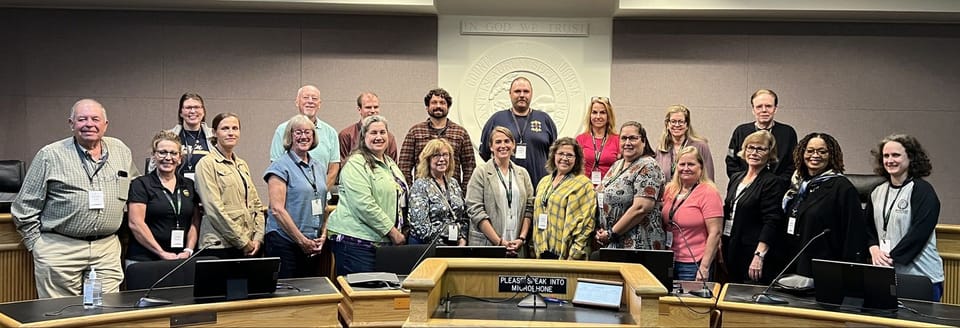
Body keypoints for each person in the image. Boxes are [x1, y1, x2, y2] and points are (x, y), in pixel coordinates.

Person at [12, 99, 138, 298]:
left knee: (106, 313)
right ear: (71, 124)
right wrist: (37, 245)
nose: (89, 124)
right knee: (60, 314)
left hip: (106, 249)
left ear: (106, 124)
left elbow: (136, 187)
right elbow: (24, 206)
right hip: (60, 249)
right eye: (82, 119)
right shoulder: (50, 155)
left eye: (95, 119)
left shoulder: (120, 150)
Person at [866, 134, 944, 301]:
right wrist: (873, 248)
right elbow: (868, 228)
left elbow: (918, 234)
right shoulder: (877, 191)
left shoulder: (923, 191)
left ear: (911, 158)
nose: (890, 160)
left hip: (920, 277)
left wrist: (890, 257)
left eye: (896, 155)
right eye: (886, 156)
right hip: (886, 274)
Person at [327, 115, 407, 275]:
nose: (379, 137)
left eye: (382, 132)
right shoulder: (356, 164)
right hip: (355, 243)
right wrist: (393, 232)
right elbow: (364, 205)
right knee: (361, 296)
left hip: (380, 243)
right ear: (363, 137)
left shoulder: (390, 163)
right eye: (373, 133)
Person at [780, 132, 865, 277]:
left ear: (831, 155)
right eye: (810, 151)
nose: (815, 155)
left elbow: (853, 235)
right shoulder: (799, 186)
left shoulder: (842, 188)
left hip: (824, 270)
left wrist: (850, 274)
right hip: (793, 265)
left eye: (822, 151)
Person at [263, 115, 328, 278]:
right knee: (287, 296)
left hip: (312, 244)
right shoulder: (279, 167)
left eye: (308, 132)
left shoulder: (318, 167)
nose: (303, 136)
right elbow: (277, 210)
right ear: (290, 136)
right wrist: (301, 240)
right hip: (285, 242)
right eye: (298, 132)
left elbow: (324, 206)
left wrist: (323, 235)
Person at [195, 112, 265, 259]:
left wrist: (258, 238)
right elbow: (214, 209)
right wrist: (243, 241)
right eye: (225, 128)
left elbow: (256, 205)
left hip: (248, 244)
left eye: (235, 128)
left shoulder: (241, 164)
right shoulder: (206, 164)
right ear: (214, 132)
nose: (231, 133)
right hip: (220, 245)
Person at [127, 131, 201, 267]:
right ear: (154, 156)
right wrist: (161, 252)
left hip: (181, 258)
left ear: (180, 158)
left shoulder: (189, 185)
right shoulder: (141, 184)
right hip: (145, 259)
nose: (168, 157)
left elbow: (195, 221)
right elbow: (136, 223)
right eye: (162, 152)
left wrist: (189, 250)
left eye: (173, 153)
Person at [722, 130, 787, 284]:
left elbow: (772, 221)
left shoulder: (772, 182)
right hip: (731, 245)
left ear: (770, 153)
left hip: (752, 252)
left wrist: (759, 255)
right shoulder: (736, 178)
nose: (754, 152)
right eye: (750, 148)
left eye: (761, 149)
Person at [596, 121, 667, 251]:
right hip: (614, 242)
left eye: (633, 138)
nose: (627, 142)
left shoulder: (649, 166)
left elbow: (641, 208)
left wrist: (612, 233)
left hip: (639, 245)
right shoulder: (617, 165)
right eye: (624, 138)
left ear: (643, 141)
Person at [466, 127, 534, 257]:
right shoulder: (481, 172)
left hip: (517, 245)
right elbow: (475, 210)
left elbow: (529, 209)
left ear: (513, 145)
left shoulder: (523, 174)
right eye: (498, 142)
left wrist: (521, 238)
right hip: (488, 244)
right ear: (491, 147)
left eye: (507, 141)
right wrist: (499, 242)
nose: (503, 145)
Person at [479, 77, 558, 185]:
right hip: (505, 188)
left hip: (540, 186)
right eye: (517, 91)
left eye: (526, 91)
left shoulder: (545, 119)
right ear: (510, 94)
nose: (522, 95)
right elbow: (485, 153)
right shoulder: (496, 119)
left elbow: (555, 154)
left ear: (531, 94)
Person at [662, 146, 723, 281]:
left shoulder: (709, 192)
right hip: (669, 259)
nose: (686, 168)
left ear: (700, 167)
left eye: (691, 164)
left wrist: (704, 267)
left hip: (694, 263)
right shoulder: (669, 190)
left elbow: (715, 232)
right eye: (682, 164)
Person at [531, 138, 596, 260]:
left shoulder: (583, 184)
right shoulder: (544, 182)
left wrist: (574, 255)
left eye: (570, 155)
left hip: (567, 255)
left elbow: (586, 224)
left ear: (576, 159)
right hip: (541, 250)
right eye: (561, 154)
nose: (565, 158)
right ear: (553, 155)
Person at [399, 88, 476, 192]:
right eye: (434, 103)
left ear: (448, 107)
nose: (438, 106)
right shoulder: (415, 132)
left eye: (442, 103)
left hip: (451, 194)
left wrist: (463, 192)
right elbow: (404, 165)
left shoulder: (460, 133)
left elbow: (469, 167)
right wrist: (411, 191)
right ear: (427, 107)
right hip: (422, 194)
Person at [270, 85, 339, 193]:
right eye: (306, 97)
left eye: (314, 98)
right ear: (297, 102)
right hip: (292, 200)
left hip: (321, 198)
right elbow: (276, 166)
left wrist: (318, 191)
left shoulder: (330, 132)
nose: (310, 101)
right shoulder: (282, 130)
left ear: (319, 104)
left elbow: (333, 168)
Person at [726, 89, 797, 181]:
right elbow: (731, 162)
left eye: (768, 106)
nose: (764, 110)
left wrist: (779, 183)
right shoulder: (741, 131)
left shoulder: (788, 133)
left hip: (779, 188)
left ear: (775, 109)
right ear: (753, 110)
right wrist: (744, 181)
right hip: (746, 186)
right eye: (759, 107)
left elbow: (793, 163)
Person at [407, 139, 467, 246]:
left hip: (455, 246)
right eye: (436, 155)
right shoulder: (420, 185)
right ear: (428, 160)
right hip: (429, 247)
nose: (442, 159)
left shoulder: (453, 183)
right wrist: (449, 235)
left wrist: (462, 238)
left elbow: (463, 217)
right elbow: (420, 227)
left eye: (445, 155)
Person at [657, 104, 714, 182]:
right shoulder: (661, 149)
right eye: (673, 121)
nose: (677, 125)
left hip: (695, 193)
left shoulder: (701, 146)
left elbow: (709, 178)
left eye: (680, 121)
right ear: (667, 124)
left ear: (687, 125)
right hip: (667, 193)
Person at [338, 92, 398, 163]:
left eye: (376, 107)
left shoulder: (389, 137)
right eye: (368, 107)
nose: (373, 111)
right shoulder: (346, 135)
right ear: (359, 109)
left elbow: (393, 165)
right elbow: (342, 164)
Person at [166, 92, 215, 180]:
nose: (192, 111)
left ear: (203, 112)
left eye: (196, 107)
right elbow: (154, 168)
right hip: (175, 188)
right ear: (181, 112)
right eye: (188, 107)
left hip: (207, 189)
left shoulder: (215, 136)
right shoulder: (167, 137)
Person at [575, 96, 620, 186]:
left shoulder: (618, 139)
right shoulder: (580, 139)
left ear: (609, 116)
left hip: (609, 189)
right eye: (594, 112)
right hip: (584, 189)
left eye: (603, 112)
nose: (598, 116)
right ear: (590, 115)